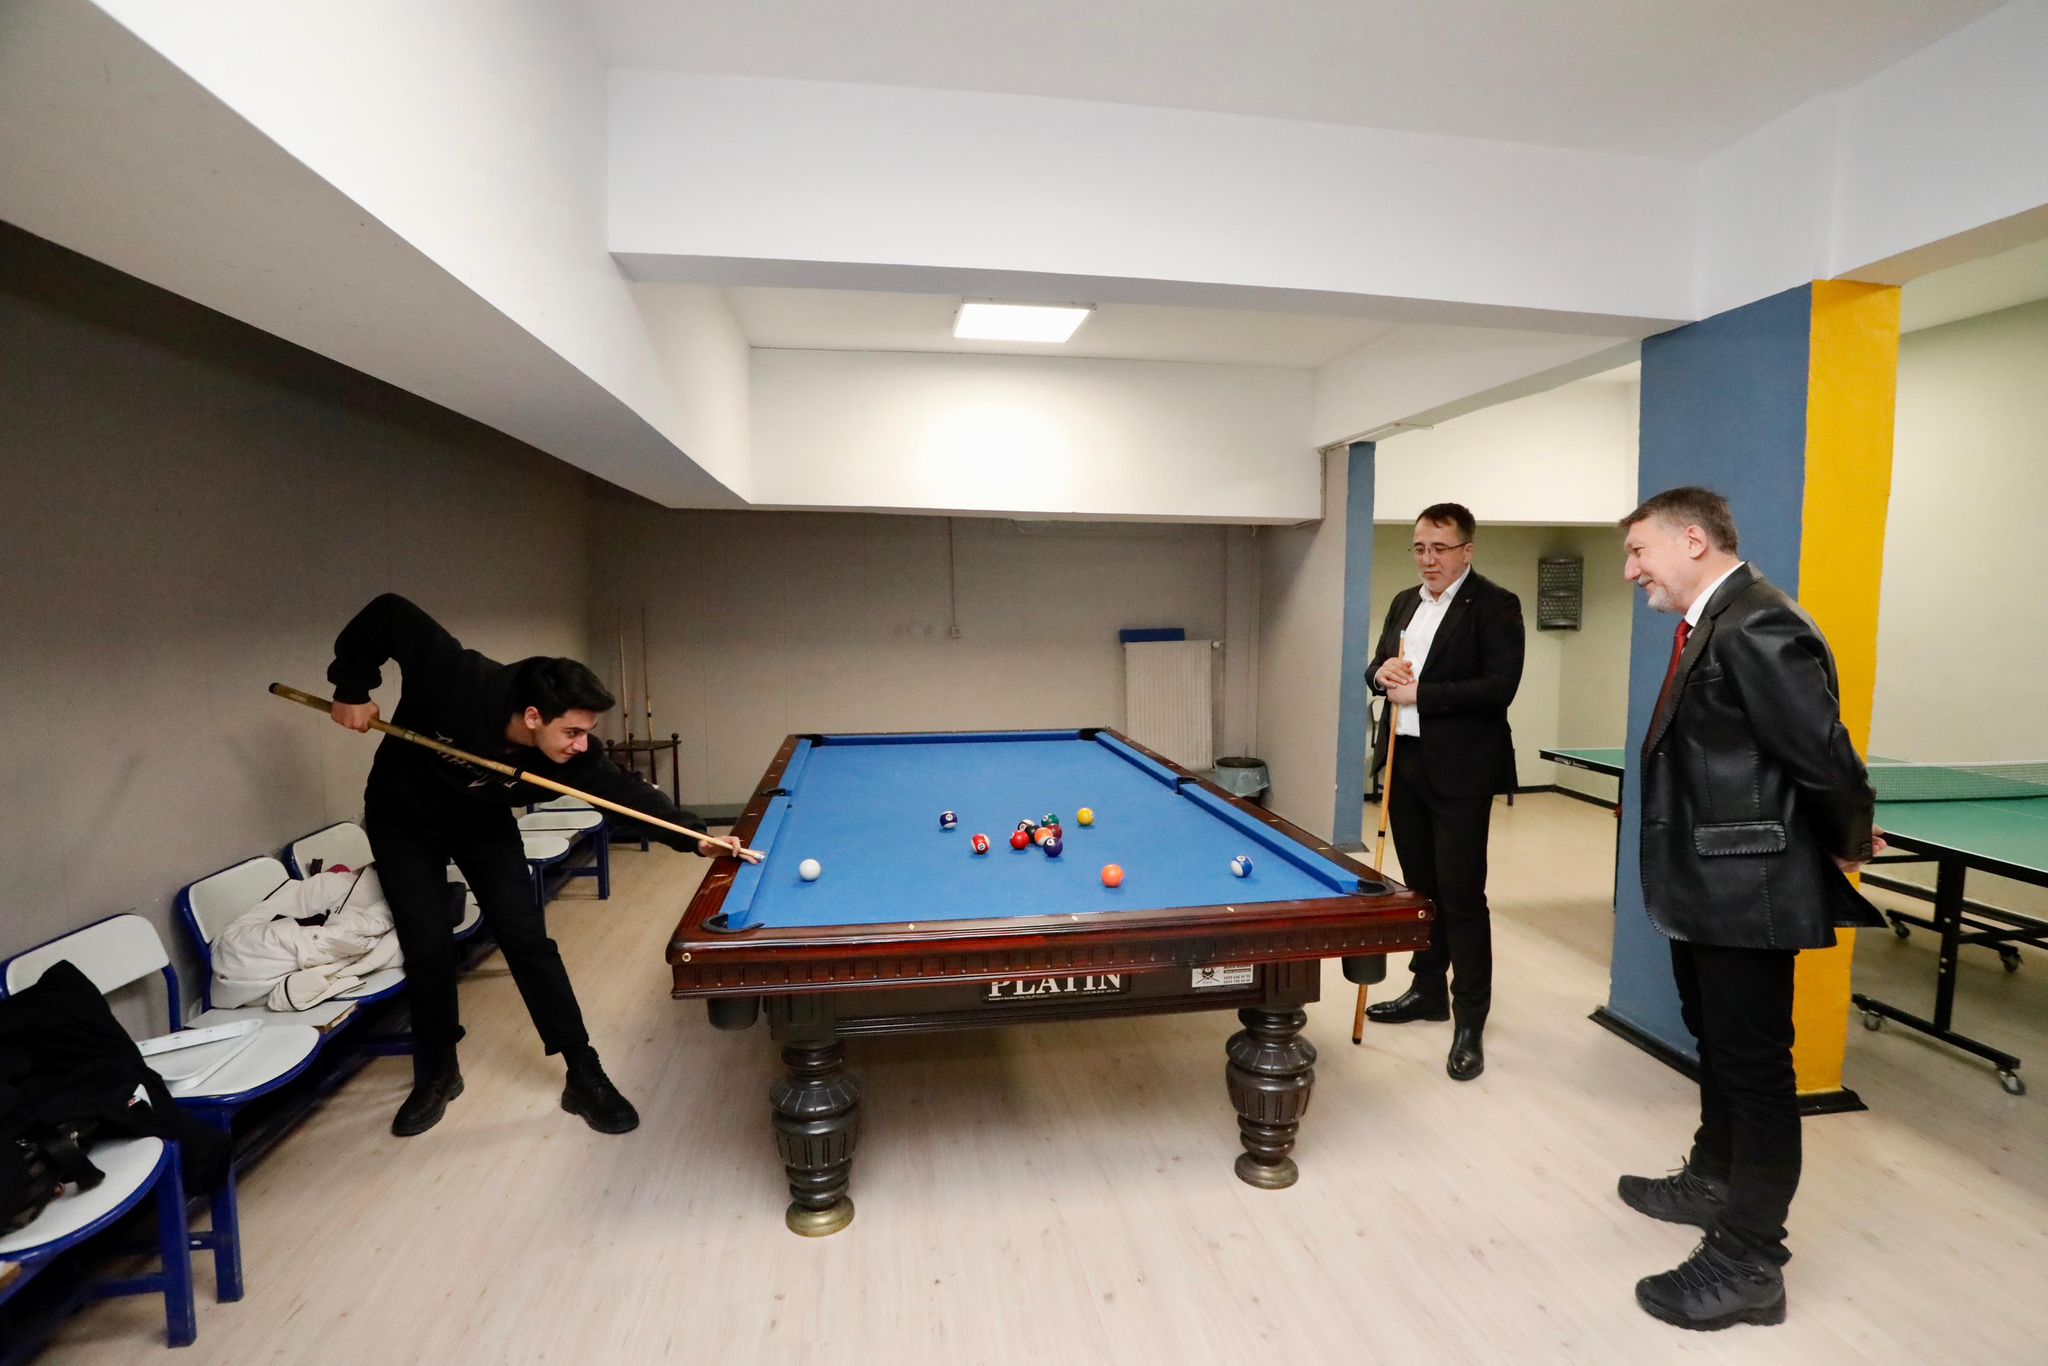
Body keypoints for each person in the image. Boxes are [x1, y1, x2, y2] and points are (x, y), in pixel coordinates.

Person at [1616, 487, 1885, 1330]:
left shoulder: (1758, 622)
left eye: (1639, 552)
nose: (1630, 571)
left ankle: (1749, 1261)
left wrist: (1848, 840)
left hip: (1747, 887)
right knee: (1718, 1044)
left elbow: (1822, 754)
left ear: (1693, 540)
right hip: (1706, 885)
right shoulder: (1716, 622)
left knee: (1757, 1069)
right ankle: (1714, 1177)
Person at [326, 593, 741, 1138]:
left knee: (527, 940)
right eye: (572, 732)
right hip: (402, 817)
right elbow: (390, 613)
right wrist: (352, 690)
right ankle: (437, 1069)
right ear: (531, 717)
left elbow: (625, 794)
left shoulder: (572, 757)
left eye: (587, 732)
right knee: (427, 945)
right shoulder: (459, 677)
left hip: (480, 821)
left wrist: (693, 837)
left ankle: (582, 1071)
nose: (582, 744)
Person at [1363, 503, 1525, 1080]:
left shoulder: (1496, 605)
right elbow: (1378, 667)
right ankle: (1427, 990)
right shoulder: (1404, 602)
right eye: (1419, 548)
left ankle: (1470, 1019)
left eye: (1440, 548)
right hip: (1405, 764)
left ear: (1466, 551)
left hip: (1462, 772)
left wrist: (1422, 695)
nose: (1428, 559)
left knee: (1461, 896)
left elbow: (1499, 688)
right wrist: (1380, 675)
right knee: (1422, 890)